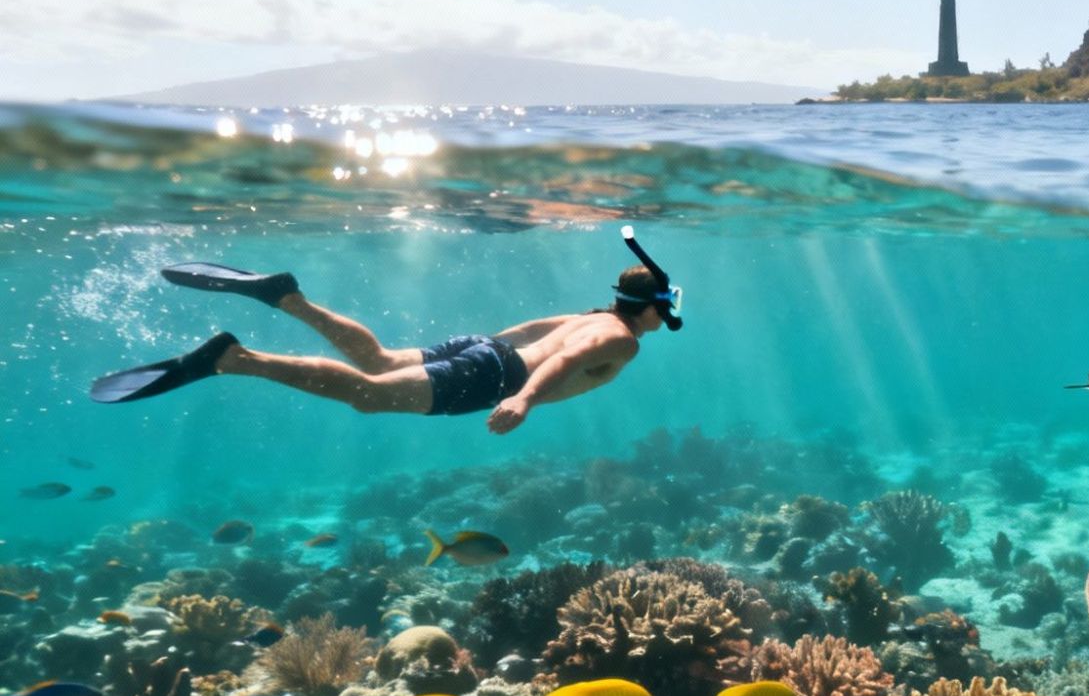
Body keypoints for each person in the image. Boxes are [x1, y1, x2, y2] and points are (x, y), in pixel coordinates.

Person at [91, 229, 682, 435]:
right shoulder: (620, 339)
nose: (670, 312)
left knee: (375, 359)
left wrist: (485, 354)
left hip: (489, 352)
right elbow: (566, 360)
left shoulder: (592, 313)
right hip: (501, 375)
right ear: (652, 304)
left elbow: (528, 329)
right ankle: (233, 358)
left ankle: (285, 296)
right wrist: (522, 398)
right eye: (669, 301)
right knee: (367, 396)